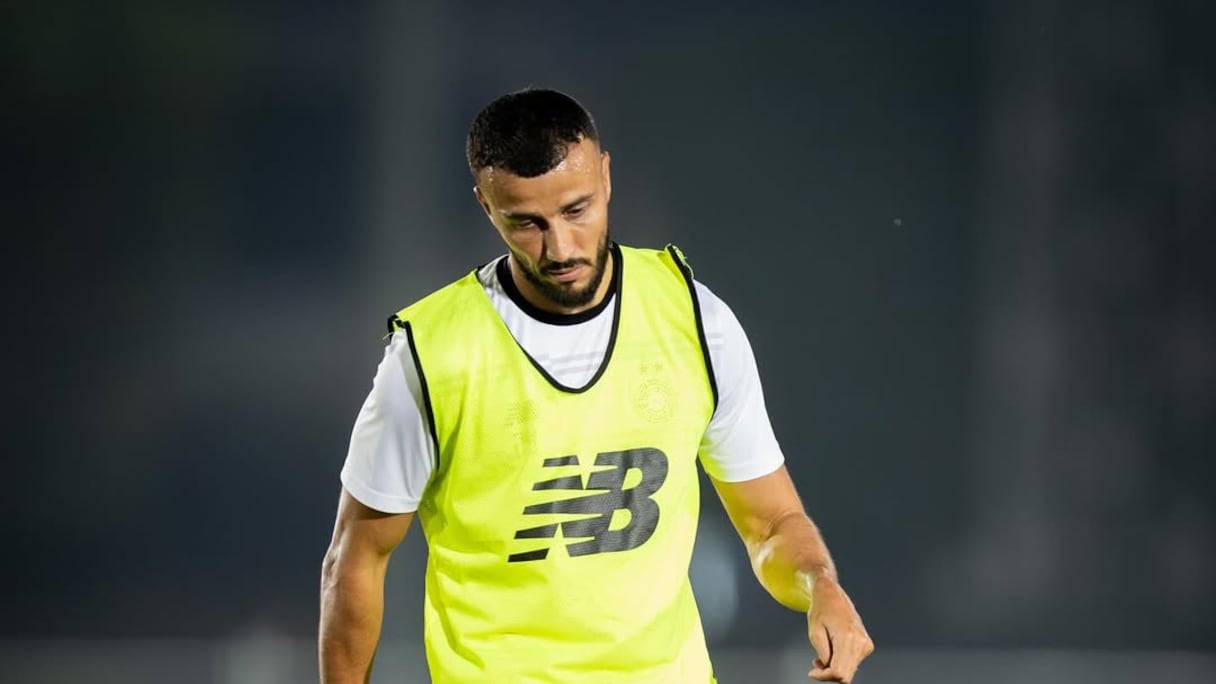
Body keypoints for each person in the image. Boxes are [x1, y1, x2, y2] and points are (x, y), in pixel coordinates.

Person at [319, 88, 873, 684]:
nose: (560, 247)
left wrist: (821, 587)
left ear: (606, 178)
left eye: (576, 210)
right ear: (486, 206)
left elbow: (769, 523)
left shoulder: (696, 323)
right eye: (527, 223)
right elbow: (357, 559)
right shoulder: (431, 356)